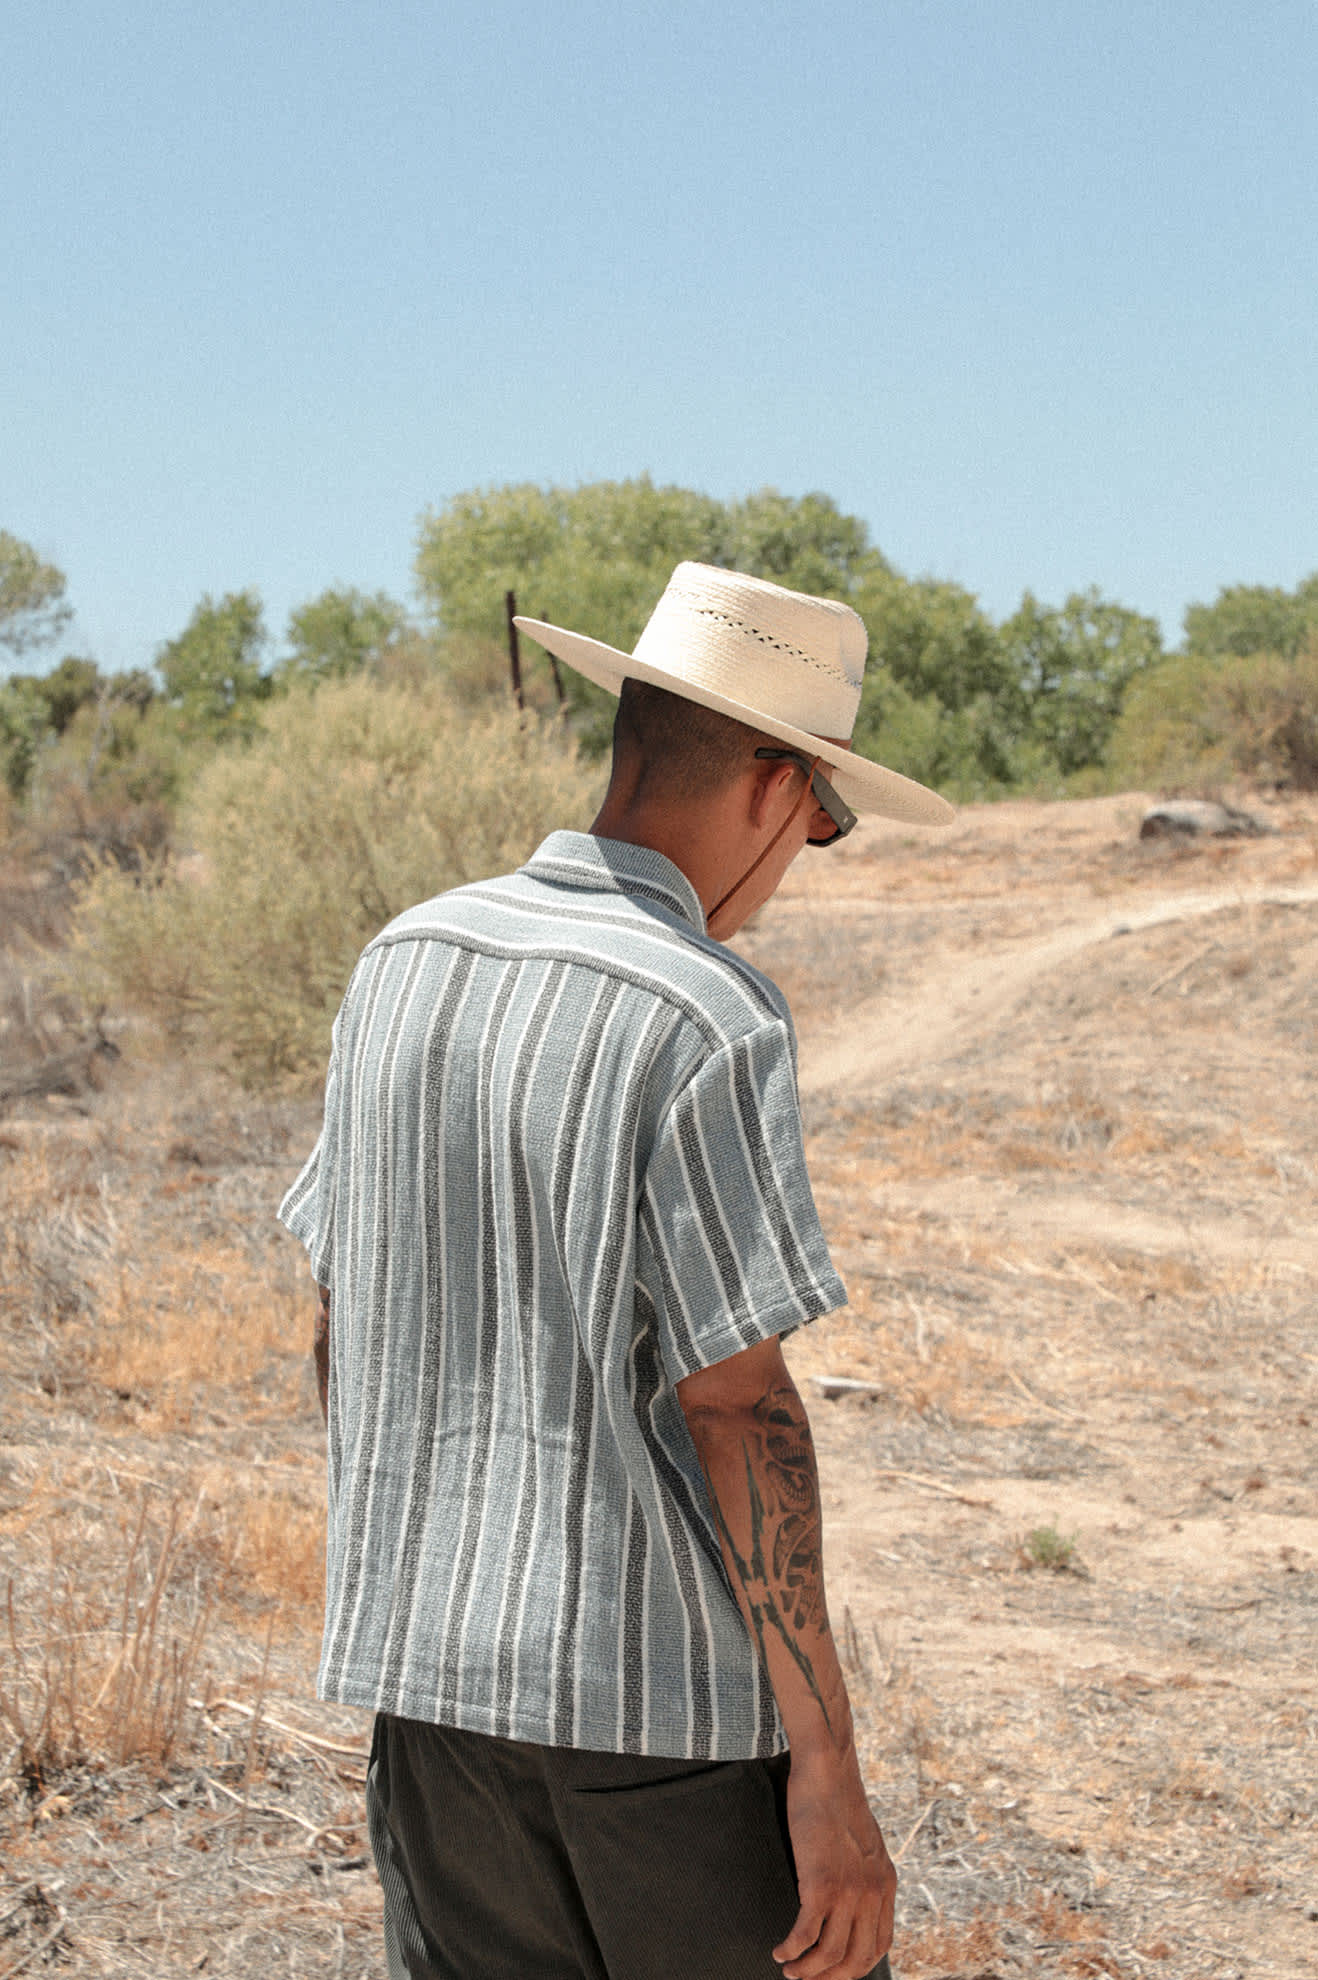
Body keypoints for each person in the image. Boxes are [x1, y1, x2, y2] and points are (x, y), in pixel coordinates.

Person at [278, 562, 953, 1980]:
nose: (801, 855)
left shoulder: (400, 957)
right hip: (660, 1734)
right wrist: (825, 1773)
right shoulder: (702, 1009)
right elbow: (736, 1410)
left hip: (429, 1706)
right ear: (771, 783)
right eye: (824, 821)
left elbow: (342, 1323)